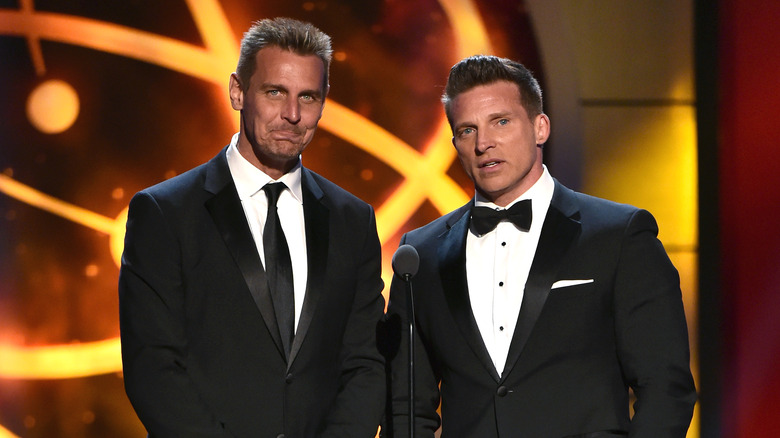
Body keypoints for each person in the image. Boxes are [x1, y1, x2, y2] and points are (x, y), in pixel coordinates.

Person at [384, 55, 697, 437]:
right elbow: (405, 405)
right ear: (454, 144)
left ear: (540, 127)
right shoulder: (421, 255)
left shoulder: (618, 235)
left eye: (501, 121)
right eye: (467, 130)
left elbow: (665, 386)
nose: (484, 143)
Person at [119, 17, 386, 437]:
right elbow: (153, 368)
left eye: (309, 97)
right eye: (275, 92)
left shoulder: (352, 219)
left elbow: (366, 361)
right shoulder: (165, 213)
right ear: (238, 92)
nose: (293, 114)